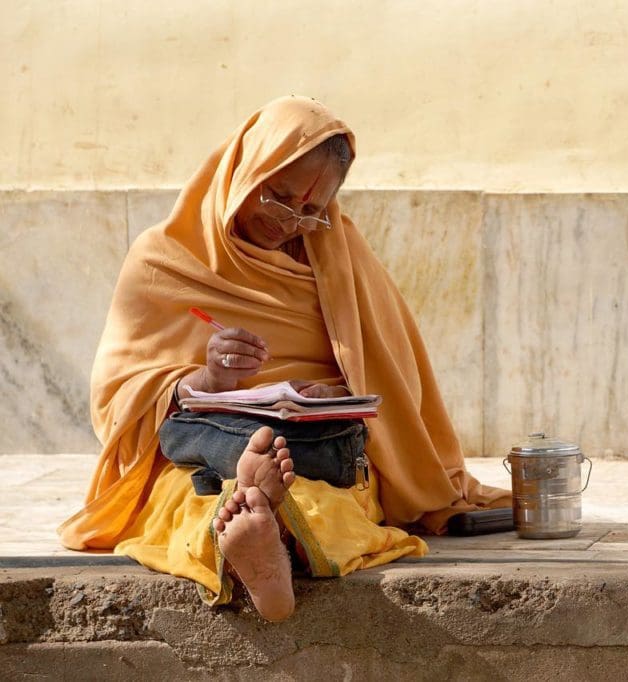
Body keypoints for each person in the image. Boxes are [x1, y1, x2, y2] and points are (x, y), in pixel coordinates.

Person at [58, 96, 511, 622]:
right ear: (245, 169)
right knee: (185, 494)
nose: (287, 223)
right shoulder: (164, 258)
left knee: (325, 497)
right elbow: (116, 394)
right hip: (203, 444)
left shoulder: (341, 256)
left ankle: (259, 521)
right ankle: (259, 524)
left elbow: (395, 374)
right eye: (277, 197)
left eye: (310, 213)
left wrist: (338, 393)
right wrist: (207, 377)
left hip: (311, 445)